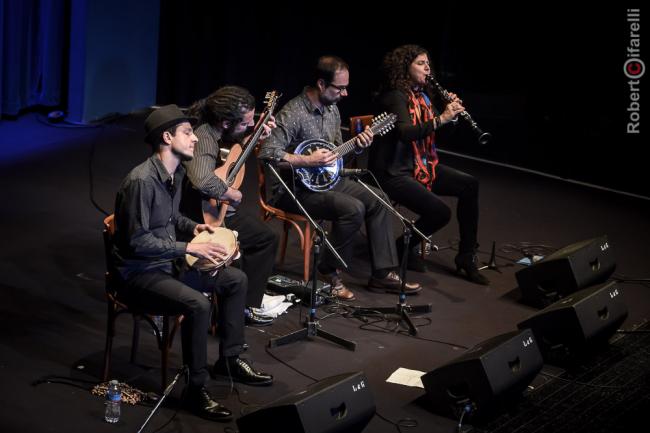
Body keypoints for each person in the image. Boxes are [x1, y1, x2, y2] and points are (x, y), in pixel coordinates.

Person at [112, 105, 273, 422]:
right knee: (198, 304)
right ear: (167, 137)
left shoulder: (175, 173)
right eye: (188, 133)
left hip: (165, 267)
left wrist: (194, 228)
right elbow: (137, 242)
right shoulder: (142, 182)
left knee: (234, 280)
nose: (195, 140)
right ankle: (195, 389)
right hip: (138, 275)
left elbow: (172, 219)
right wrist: (190, 248)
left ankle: (229, 358)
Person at [258, 56, 421, 300]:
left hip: (324, 181)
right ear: (322, 84)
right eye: (340, 88)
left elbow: (335, 154)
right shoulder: (293, 112)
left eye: (346, 88)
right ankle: (327, 269)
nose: (345, 94)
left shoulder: (332, 109)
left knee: (379, 199)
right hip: (290, 189)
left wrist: (356, 146)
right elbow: (267, 154)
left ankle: (382, 273)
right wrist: (306, 160)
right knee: (352, 208)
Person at [369, 44, 489, 285]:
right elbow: (406, 132)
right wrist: (441, 118)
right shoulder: (395, 96)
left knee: (469, 185)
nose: (427, 68)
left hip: (417, 165)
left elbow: (435, 128)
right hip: (392, 172)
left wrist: (451, 115)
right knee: (440, 213)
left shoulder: (421, 96)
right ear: (405, 67)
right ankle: (400, 247)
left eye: (428, 63)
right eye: (420, 63)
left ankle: (466, 256)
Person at [182, 86, 280, 326]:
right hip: (194, 214)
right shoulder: (204, 137)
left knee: (265, 237)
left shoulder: (222, 132)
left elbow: (232, 153)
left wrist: (255, 137)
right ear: (225, 122)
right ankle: (232, 309)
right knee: (258, 241)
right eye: (245, 123)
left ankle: (244, 306)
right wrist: (230, 193)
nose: (249, 125)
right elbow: (203, 180)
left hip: (217, 209)